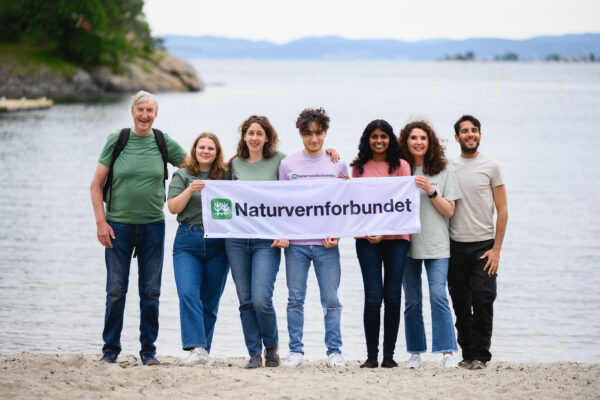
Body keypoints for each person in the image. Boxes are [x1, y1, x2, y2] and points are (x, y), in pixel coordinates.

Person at [90, 90, 187, 366]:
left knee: (151, 291)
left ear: (156, 114)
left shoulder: (162, 141)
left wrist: (227, 165)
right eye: (140, 110)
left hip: (153, 227)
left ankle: (148, 351)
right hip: (117, 226)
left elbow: (193, 165)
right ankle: (110, 350)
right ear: (132, 111)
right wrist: (101, 222)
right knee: (116, 290)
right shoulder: (117, 140)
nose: (145, 115)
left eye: (150, 111)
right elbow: (96, 184)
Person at [278, 107, 348, 368]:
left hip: (326, 245)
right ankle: (295, 351)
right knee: (295, 299)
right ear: (300, 134)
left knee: (331, 299)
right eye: (308, 134)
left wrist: (339, 235)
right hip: (295, 245)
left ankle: (334, 351)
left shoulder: (337, 163)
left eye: (318, 133)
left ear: (325, 133)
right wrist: (282, 234)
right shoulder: (287, 165)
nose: (314, 139)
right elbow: (278, 205)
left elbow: (346, 203)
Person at [225, 115, 288, 369]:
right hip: (237, 240)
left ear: (267, 137)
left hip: (267, 241)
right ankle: (254, 353)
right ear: (244, 136)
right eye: (250, 133)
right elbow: (224, 199)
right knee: (245, 300)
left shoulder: (280, 161)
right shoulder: (235, 164)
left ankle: (271, 347)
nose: (254, 137)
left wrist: (331, 154)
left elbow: (296, 195)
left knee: (262, 299)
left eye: (259, 133)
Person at [398, 120, 462, 369]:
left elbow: (449, 211)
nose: (418, 142)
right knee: (412, 300)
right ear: (406, 141)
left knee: (438, 296)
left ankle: (447, 352)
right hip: (406, 246)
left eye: (423, 138)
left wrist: (431, 191)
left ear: (430, 142)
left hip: (437, 245)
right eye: (413, 138)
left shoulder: (443, 170)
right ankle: (415, 353)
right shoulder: (400, 169)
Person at [350, 119, 411, 368]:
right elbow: (353, 203)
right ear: (368, 138)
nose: (379, 141)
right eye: (374, 136)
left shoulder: (402, 166)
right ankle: (371, 356)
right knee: (373, 297)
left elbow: (403, 204)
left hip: (396, 239)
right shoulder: (358, 166)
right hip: (366, 240)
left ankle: (389, 356)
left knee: (393, 297)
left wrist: (384, 233)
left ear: (390, 139)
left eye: (383, 136)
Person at [448, 115, 507, 370]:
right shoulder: (449, 165)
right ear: (457, 137)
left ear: (480, 135)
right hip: (455, 246)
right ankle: (467, 353)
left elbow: (502, 209)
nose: (470, 134)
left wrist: (497, 249)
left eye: (474, 131)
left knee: (484, 298)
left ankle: (481, 356)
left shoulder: (492, 166)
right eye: (465, 131)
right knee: (460, 304)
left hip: (484, 245)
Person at [167, 132, 229, 365]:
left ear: (217, 152)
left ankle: (203, 350)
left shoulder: (226, 175)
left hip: (218, 242)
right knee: (188, 294)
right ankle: (197, 346)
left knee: (211, 299)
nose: (205, 151)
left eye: (210, 148)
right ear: (194, 150)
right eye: (202, 147)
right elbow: (173, 207)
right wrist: (190, 189)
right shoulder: (182, 175)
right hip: (187, 239)